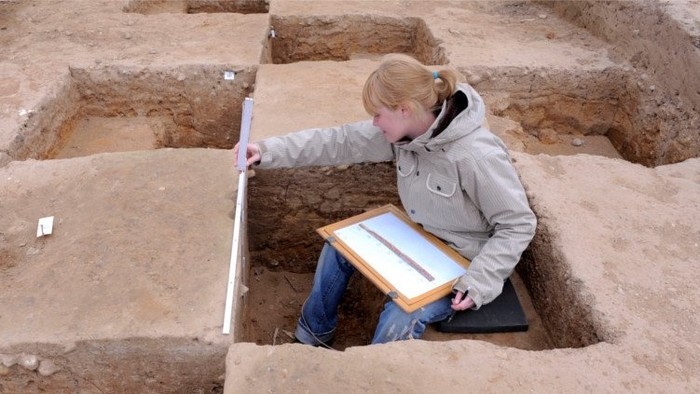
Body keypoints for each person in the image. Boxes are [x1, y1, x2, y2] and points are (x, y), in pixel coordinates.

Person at [235, 54, 536, 346]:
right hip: (421, 239)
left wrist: (480, 282)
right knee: (339, 245)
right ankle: (313, 334)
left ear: (405, 109)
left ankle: (374, 373)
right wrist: (267, 151)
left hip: (463, 262)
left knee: (400, 315)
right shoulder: (409, 132)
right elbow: (340, 141)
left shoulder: (476, 156)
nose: (375, 123)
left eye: (378, 114)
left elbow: (517, 223)